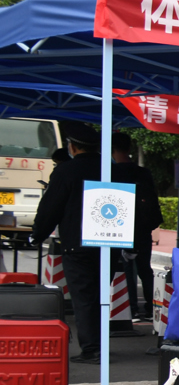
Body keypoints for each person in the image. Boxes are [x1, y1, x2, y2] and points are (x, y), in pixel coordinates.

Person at [31, 126, 103, 363]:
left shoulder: (66, 171)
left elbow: (51, 206)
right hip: (110, 243)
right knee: (102, 294)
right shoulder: (112, 169)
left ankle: (92, 348)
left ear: (72, 147)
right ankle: (100, 343)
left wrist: (38, 234)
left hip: (77, 243)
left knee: (83, 297)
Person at [109, 133, 162, 320]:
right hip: (142, 228)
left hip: (117, 228)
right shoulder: (143, 173)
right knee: (144, 269)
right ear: (129, 149)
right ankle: (151, 307)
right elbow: (153, 202)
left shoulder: (110, 173)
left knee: (124, 269)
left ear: (111, 149)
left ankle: (129, 308)